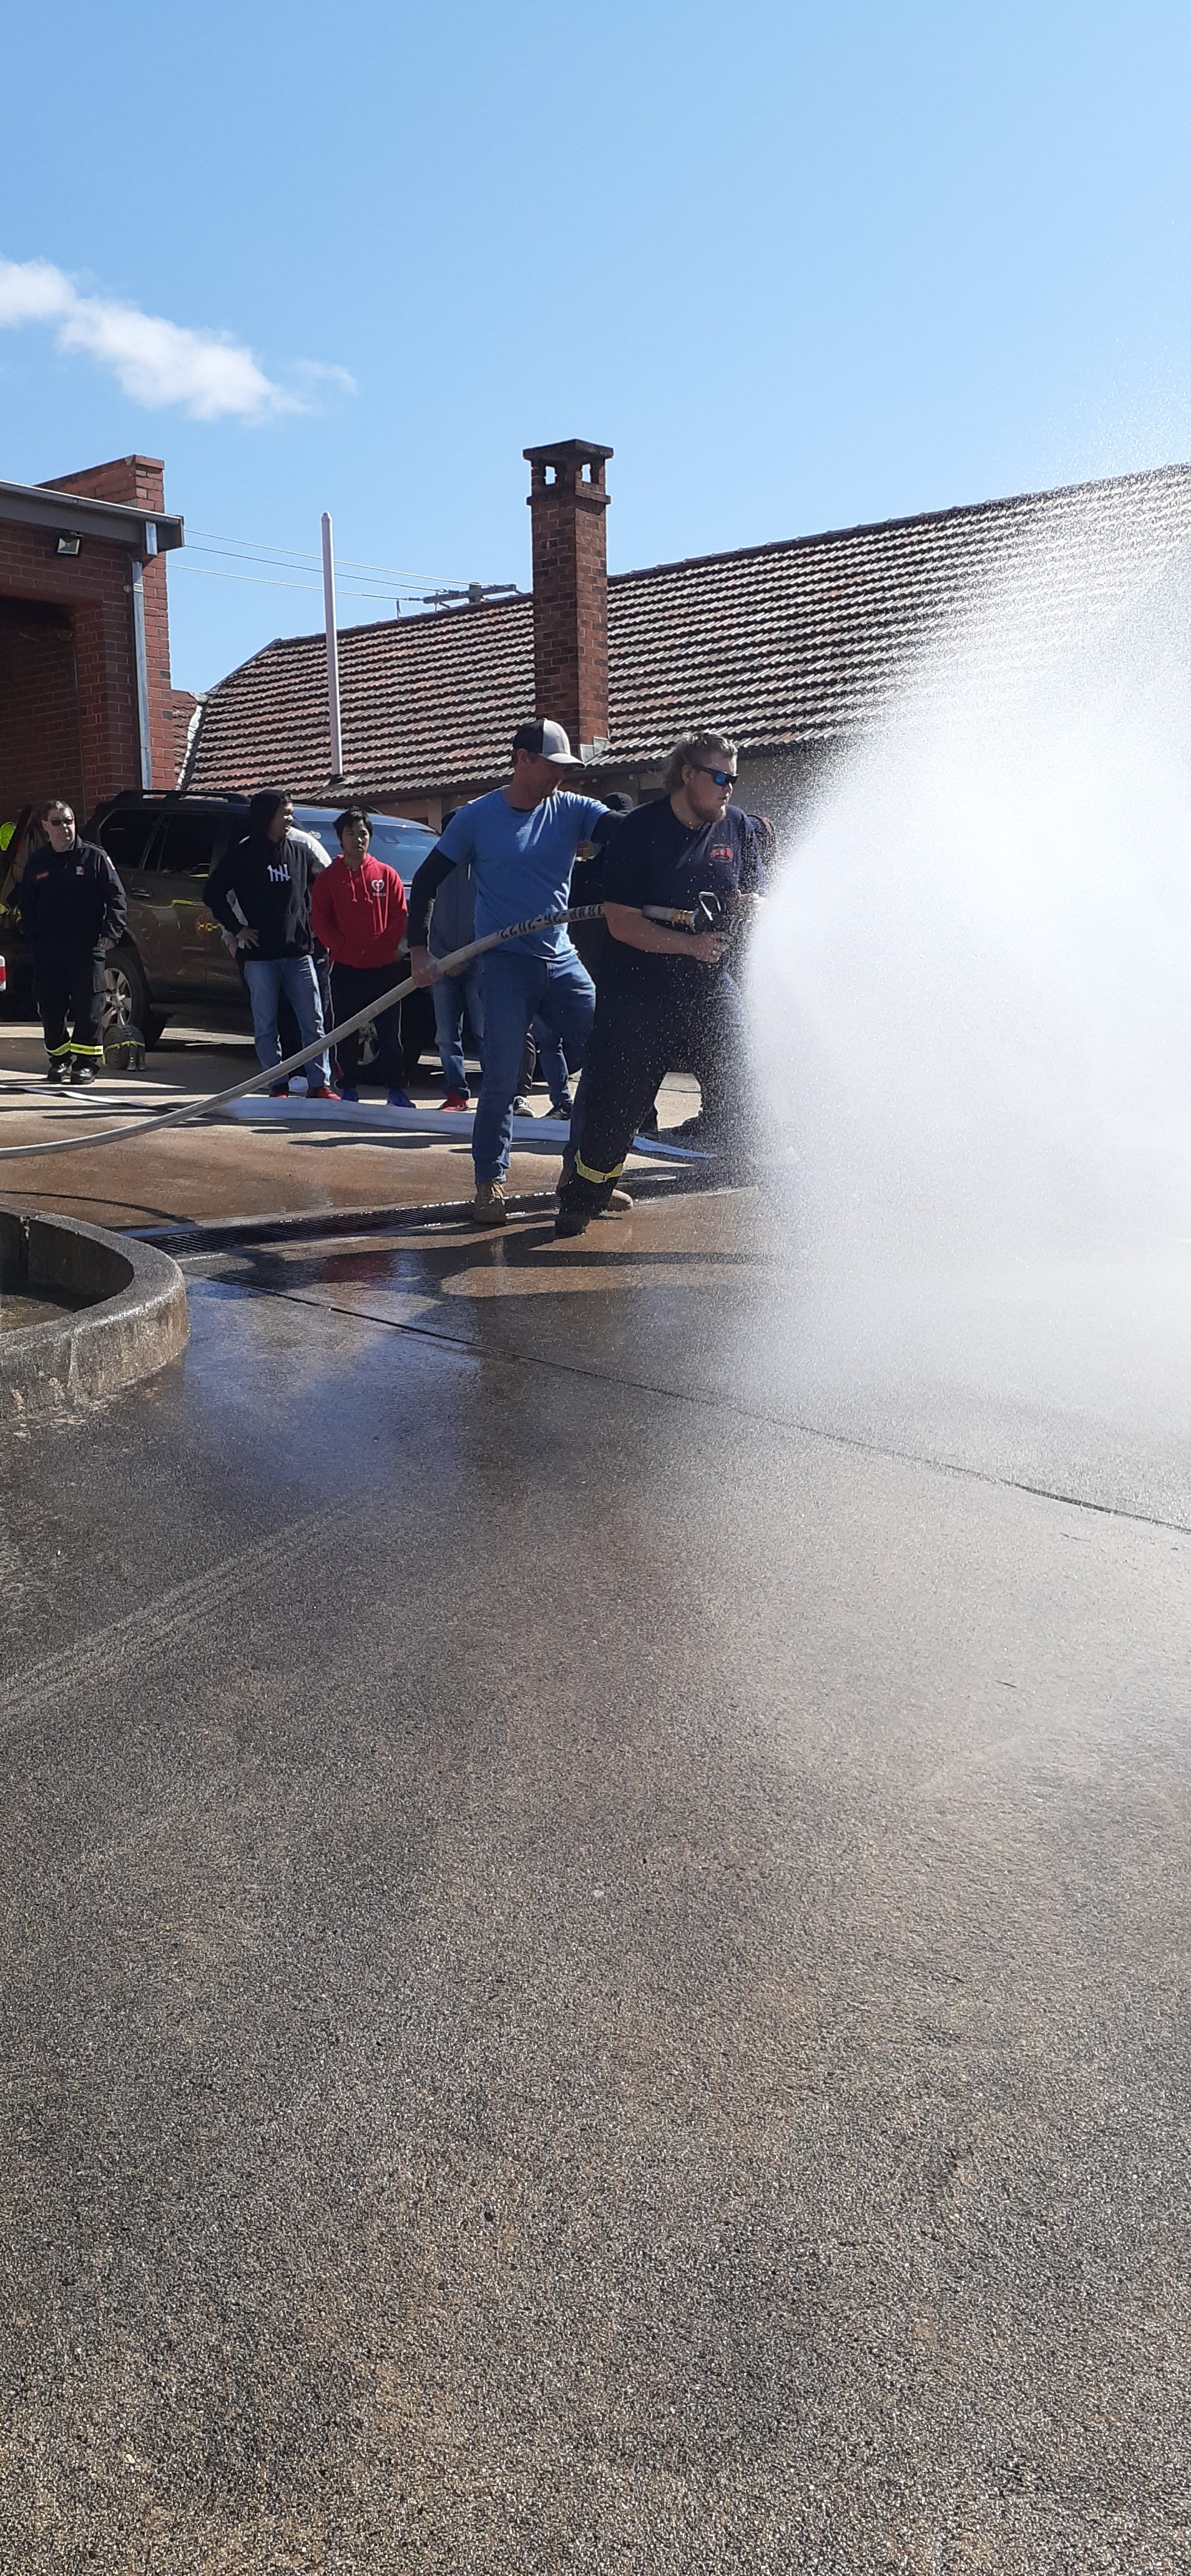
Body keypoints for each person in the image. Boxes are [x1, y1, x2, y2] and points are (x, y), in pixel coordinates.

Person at [407, 718, 631, 1227]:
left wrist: (671, 818)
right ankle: (490, 1181)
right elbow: (427, 880)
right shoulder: (477, 817)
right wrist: (420, 952)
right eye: (552, 766)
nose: (560, 776)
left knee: (607, 1055)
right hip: (504, 963)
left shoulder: (572, 809)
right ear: (523, 760)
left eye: (564, 769)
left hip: (561, 958)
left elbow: (621, 830)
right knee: (504, 1076)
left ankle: (583, 1176)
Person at [555, 732, 763, 1238]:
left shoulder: (736, 826)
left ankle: (776, 1201)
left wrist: (752, 908)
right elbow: (622, 923)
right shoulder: (639, 831)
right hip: (639, 990)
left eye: (733, 778)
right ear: (687, 775)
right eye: (719, 776)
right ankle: (584, 1197)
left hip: (709, 984)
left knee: (748, 1085)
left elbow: (751, 892)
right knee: (617, 1108)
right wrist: (689, 944)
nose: (728, 788)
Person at [205, 789, 338, 1098]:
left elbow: (325, 891)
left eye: (291, 813)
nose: (290, 819)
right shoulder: (242, 854)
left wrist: (319, 932)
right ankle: (276, 1082)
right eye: (284, 814)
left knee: (314, 1021)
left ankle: (320, 1083)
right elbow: (213, 893)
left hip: (299, 954)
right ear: (267, 817)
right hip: (259, 957)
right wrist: (237, 930)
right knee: (267, 1024)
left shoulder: (301, 851)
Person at [14, 798, 127, 1085]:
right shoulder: (38, 862)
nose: (64, 827)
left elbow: (117, 898)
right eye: (57, 822)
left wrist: (111, 933)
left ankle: (86, 1065)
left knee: (89, 1009)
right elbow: (27, 903)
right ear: (45, 826)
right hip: (48, 950)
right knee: (50, 1009)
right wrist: (32, 937)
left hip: (86, 948)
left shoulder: (95, 858)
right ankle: (60, 1060)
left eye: (69, 821)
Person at [310, 806, 413, 1105]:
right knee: (345, 1030)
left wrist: (387, 946)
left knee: (390, 1033)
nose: (358, 839)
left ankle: (396, 1089)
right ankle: (348, 1086)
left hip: (384, 968)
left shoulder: (387, 874)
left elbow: (399, 916)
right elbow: (320, 920)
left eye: (363, 834)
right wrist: (339, 946)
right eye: (351, 834)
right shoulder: (329, 878)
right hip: (346, 967)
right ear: (340, 839)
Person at [424, 850, 484, 1112]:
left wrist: (469, 955)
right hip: (441, 965)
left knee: (485, 1032)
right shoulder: (433, 870)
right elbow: (424, 918)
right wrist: (442, 957)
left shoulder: (486, 869)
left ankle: (494, 1095)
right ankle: (456, 1094)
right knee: (447, 1036)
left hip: (479, 964)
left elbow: (492, 916)